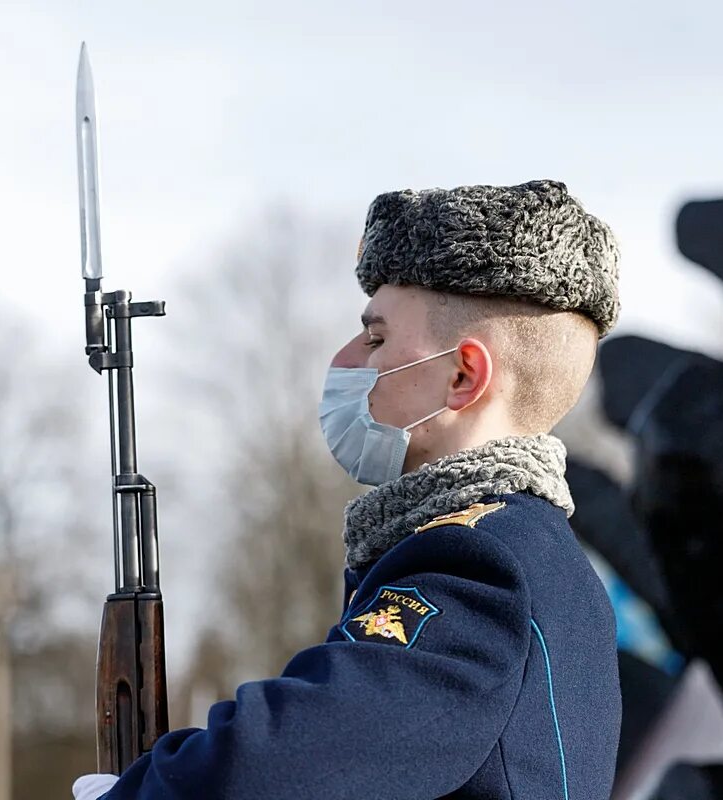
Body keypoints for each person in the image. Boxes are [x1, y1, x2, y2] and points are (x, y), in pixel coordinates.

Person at [74, 179, 622, 800]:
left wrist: (148, 790)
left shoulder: (480, 561)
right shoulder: (538, 552)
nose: (345, 358)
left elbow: (277, 764)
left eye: (378, 338)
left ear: (463, 375)